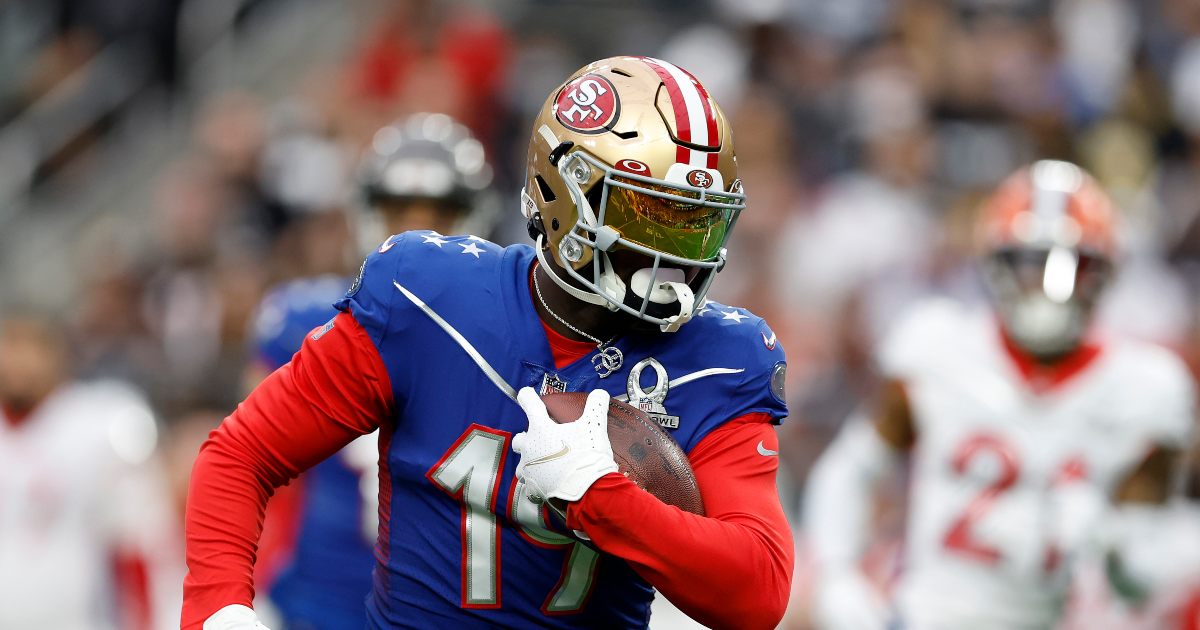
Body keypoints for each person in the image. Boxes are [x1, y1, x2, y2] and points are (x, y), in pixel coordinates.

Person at [183, 57, 793, 629]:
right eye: (647, 215)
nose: (675, 259)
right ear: (565, 197)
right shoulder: (430, 298)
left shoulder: (718, 358)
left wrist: (602, 499)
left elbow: (758, 591)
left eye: (695, 224)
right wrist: (219, 608)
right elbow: (242, 455)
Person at [805, 160, 1197, 630]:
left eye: (1075, 266)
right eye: (1033, 264)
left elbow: (1145, 579)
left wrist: (1111, 544)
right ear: (997, 264)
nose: (1053, 287)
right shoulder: (936, 348)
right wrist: (835, 573)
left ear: (1105, 274)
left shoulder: (1145, 389)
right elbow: (852, 470)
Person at [252, 112, 497, 630]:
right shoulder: (302, 318)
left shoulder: (506, 333)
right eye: (398, 211)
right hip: (317, 600)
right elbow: (250, 464)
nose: (416, 232)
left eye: (438, 213)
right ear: (368, 213)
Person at [0, 312, 181, 630]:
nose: (15, 360)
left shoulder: (101, 422)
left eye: (29, 345)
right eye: (9, 345)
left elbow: (141, 540)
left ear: (58, 353)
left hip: (79, 619)